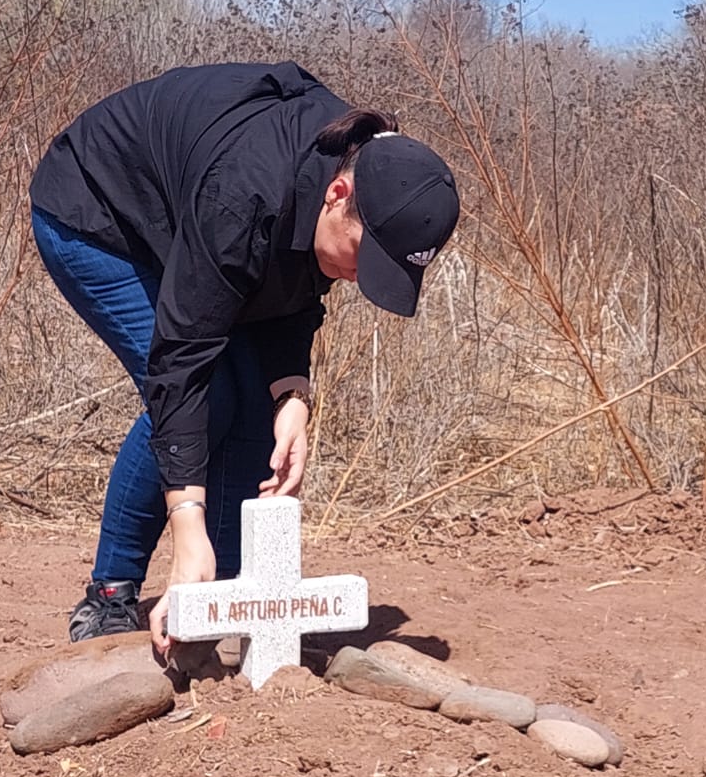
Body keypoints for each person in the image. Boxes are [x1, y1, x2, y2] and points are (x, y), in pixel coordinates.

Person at [29, 62, 459, 646]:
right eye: (364, 256)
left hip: (191, 222)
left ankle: (233, 590)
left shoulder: (353, 187)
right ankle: (111, 593)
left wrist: (293, 396)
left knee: (256, 399)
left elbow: (290, 293)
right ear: (339, 195)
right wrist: (187, 529)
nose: (358, 279)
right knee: (209, 398)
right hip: (98, 212)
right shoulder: (246, 192)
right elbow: (180, 362)